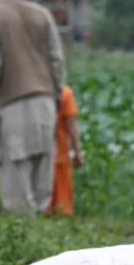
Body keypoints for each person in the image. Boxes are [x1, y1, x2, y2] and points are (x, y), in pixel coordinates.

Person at [0, 0, 65, 216]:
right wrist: (56, 96)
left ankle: (25, 236)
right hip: (45, 103)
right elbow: (57, 61)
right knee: (42, 187)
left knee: (17, 193)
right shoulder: (42, 14)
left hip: (11, 107)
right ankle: (42, 230)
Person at [48, 85, 83, 216]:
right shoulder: (65, 93)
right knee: (61, 206)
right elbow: (71, 126)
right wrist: (78, 152)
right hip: (59, 155)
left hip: (37, 155)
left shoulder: (32, 95)